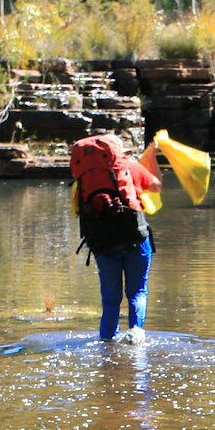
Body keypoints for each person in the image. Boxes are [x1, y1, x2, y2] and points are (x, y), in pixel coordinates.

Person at [69, 134, 162, 345]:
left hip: (103, 242)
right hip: (135, 239)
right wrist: (153, 157)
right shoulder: (130, 167)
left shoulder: (83, 179)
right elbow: (156, 185)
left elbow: (77, 209)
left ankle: (107, 342)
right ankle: (136, 334)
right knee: (137, 291)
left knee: (110, 300)